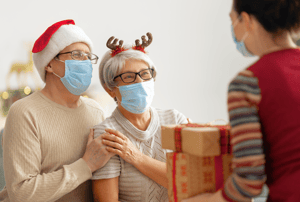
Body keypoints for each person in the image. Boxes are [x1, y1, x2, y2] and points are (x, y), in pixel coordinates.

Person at [182, 0, 300, 202]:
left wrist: (205, 200)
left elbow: (249, 182)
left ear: (246, 20)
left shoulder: (247, 83)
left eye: (232, 20)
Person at [0, 19, 117, 202]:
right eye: (77, 55)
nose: (85, 62)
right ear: (49, 64)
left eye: (88, 56)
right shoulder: (24, 112)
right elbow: (22, 194)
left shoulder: (96, 111)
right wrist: (85, 166)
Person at [91, 33, 188, 202]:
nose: (140, 82)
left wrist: (136, 157)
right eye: (128, 77)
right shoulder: (108, 134)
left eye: (145, 74)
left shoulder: (175, 119)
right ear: (110, 89)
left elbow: (190, 181)